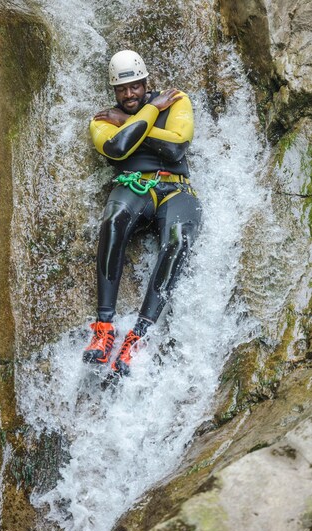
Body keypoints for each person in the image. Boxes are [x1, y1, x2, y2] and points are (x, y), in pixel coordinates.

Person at [83, 49, 202, 376]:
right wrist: (149, 111)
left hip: (177, 189)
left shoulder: (176, 100)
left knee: (178, 242)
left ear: (146, 80)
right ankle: (104, 328)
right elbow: (118, 147)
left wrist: (133, 123)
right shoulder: (101, 119)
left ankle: (139, 334)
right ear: (114, 91)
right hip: (134, 187)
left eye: (135, 86)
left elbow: (176, 147)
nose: (129, 94)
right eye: (122, 89)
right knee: (113, 219)